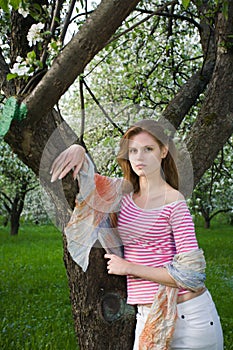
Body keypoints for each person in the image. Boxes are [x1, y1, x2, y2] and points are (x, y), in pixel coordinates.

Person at [50, 119, 223, 350]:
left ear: (163, 151)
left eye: (148, 149)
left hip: (189, 318)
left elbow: (192, 274)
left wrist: (128, 268)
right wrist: (77, 148)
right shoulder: (123, 194)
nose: (139, 157)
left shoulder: (174, 202)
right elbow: (88, 181)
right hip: (147, 316)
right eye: (133, 150)